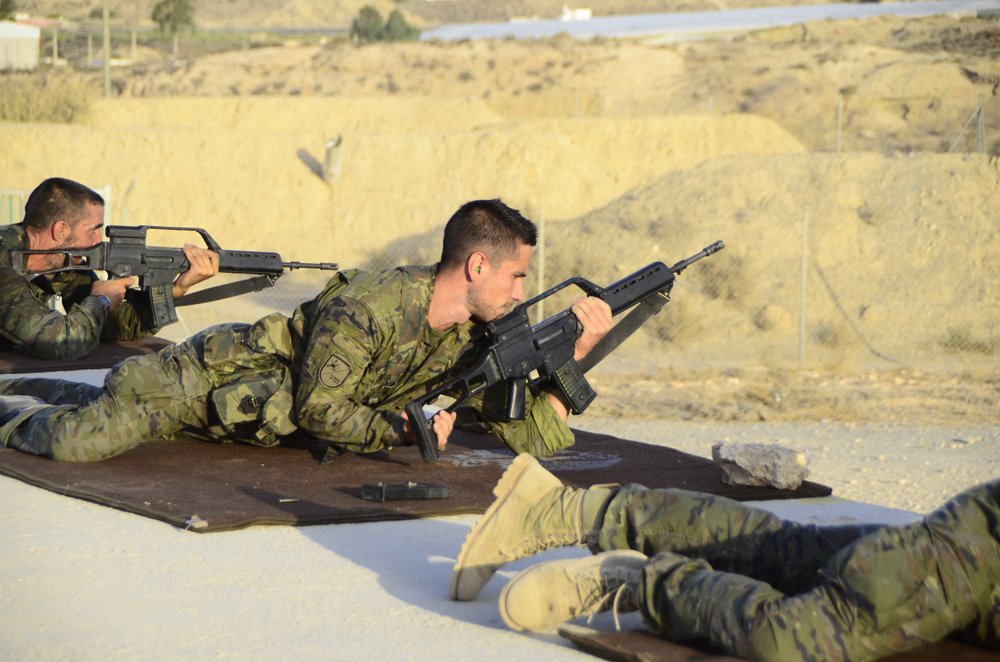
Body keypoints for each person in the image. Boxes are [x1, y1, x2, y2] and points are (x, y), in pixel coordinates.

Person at [0, 199, 613, 462]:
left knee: (89, 397)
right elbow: (319, 409)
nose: (520, 292)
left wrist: (578, 353)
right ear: (477, 266)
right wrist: (403, 430)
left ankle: (40, 391)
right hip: (200, 382)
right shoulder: (371, 306)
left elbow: (531, 439)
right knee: (77, 440)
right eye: (515, 276)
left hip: (242, 416)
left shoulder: (474, 335)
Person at [449, 454, 1000, 660]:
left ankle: (564, 508)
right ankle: (643, 581)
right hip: (978, 561)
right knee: (785, 639)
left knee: (785, 552)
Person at [0, 177, 219, 360]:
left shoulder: (60, 264)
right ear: (61, 230)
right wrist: (101, 301)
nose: (98, 240)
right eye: (93, 230)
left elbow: (114, 328)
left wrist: (175, 289)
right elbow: (61, 343)